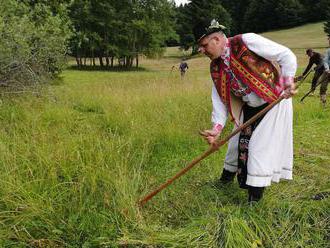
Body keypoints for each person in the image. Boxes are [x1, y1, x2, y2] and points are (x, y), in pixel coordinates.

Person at [194, 19, 297, 202]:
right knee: (235, 143)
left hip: (273, 101)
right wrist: (217, 128)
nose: (201, 50)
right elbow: (219, 97)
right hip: (249, 106)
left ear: (216, 39)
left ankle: (254, 201)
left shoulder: (246, 41)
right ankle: (224, 181)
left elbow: (286, 55)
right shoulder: (216, 66)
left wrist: (287, 82)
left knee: (259, 149)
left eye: (203, 45)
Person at [318, 36, 330, 106]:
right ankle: (323, 103)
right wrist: (327, 69)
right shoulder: (328, 51)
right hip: (327, 71)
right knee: (322, 87)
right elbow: (325, 61)